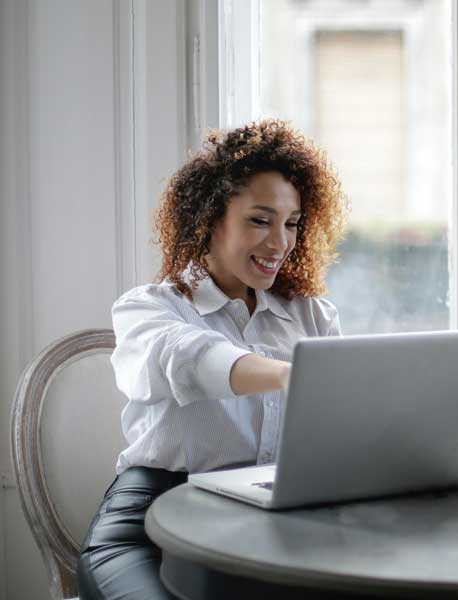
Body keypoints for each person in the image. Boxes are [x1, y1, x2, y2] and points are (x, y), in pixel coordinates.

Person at [77, 120, 348, 599]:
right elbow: (188, 356)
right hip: (148, 520)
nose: (280, 242)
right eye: (260, 220)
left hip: (269, 522)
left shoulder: (312, 315)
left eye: (291, 223)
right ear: (210, 218)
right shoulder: (150, 306)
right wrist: (292, 375)